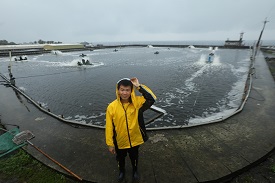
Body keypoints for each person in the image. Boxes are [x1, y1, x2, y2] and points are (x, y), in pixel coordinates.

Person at [105, 77, 156, 182]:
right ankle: (122, 171)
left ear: (131, 90)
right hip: (120, 140)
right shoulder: (112, 107)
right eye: (122, 90)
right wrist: (110, 143)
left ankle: (135, 170)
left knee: (134, 157)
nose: (125, 93)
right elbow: (109, 126)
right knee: (120, 158)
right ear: (118, 91)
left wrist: (138, 86)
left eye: (127, 90)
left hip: (135, 139)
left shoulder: (137, 103)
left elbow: (151, 98)